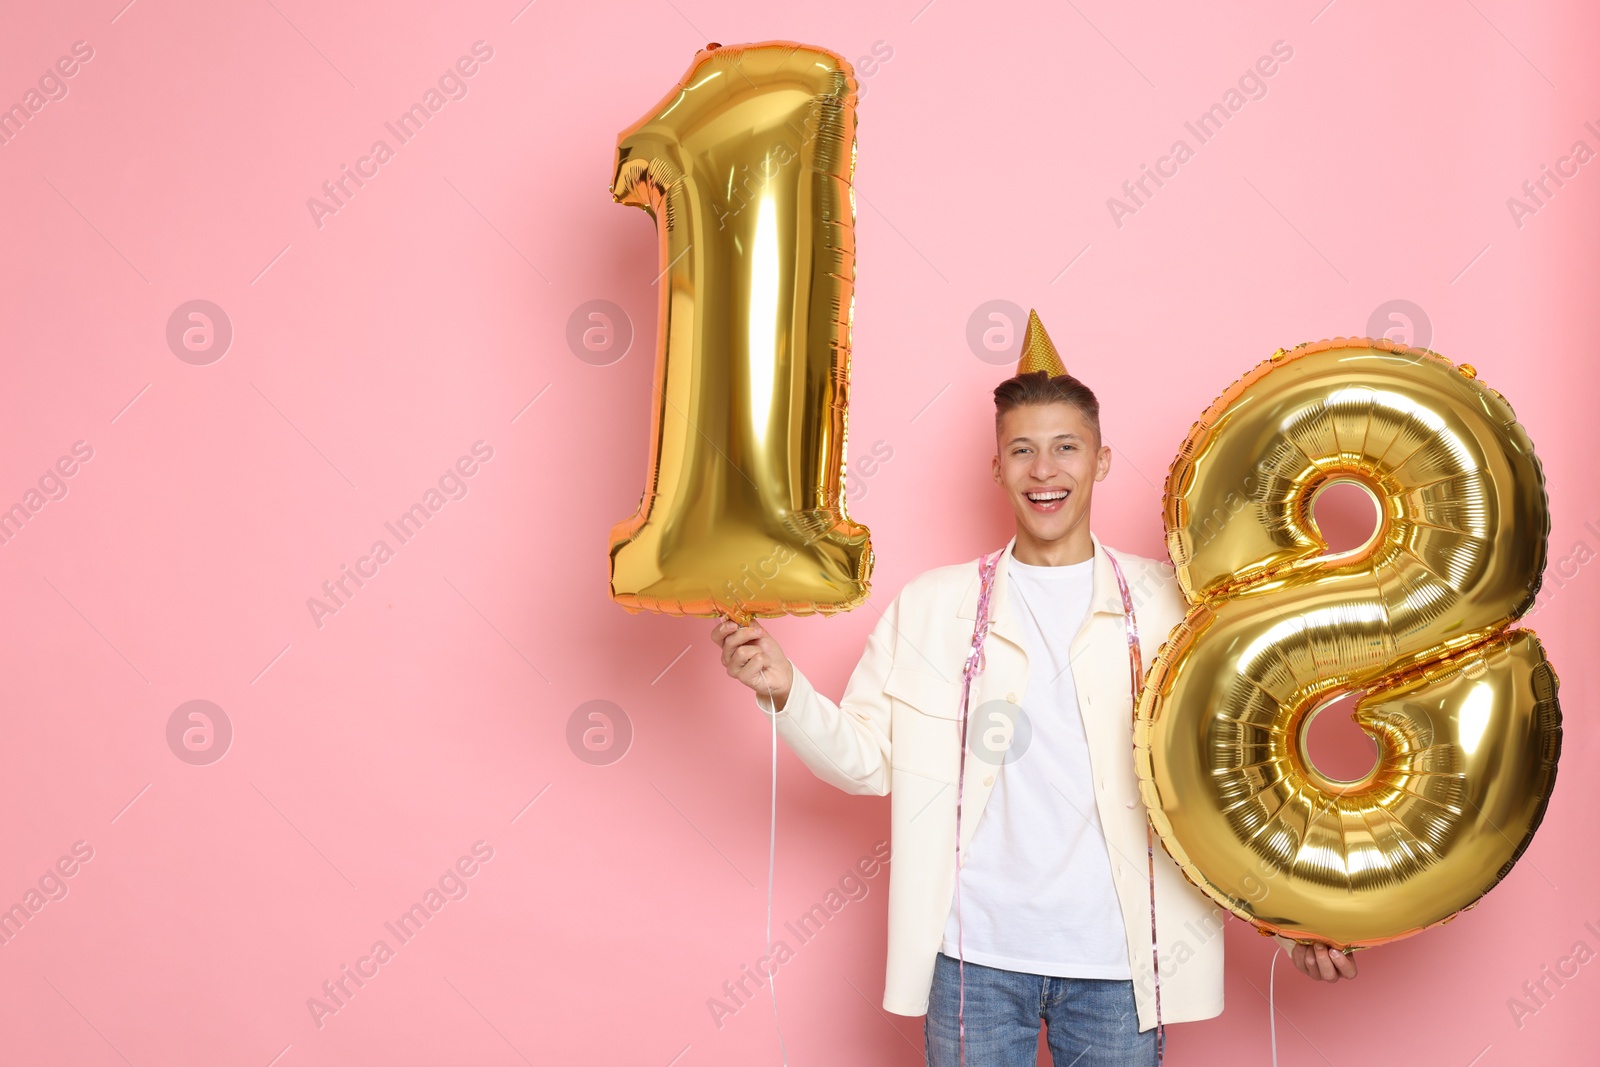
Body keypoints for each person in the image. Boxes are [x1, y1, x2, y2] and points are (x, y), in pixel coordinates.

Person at [711, 311, 1356, 1066]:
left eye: (1064, 448)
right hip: (973, 960)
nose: (1043, 470)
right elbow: (866, 761)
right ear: (996, 468)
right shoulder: (931, 605)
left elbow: (1237, 779)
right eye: (1021, 450)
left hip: (1123, 964)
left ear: (1102, 460)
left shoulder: (1173, 608)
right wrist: (785, 689)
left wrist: (1297, 918)